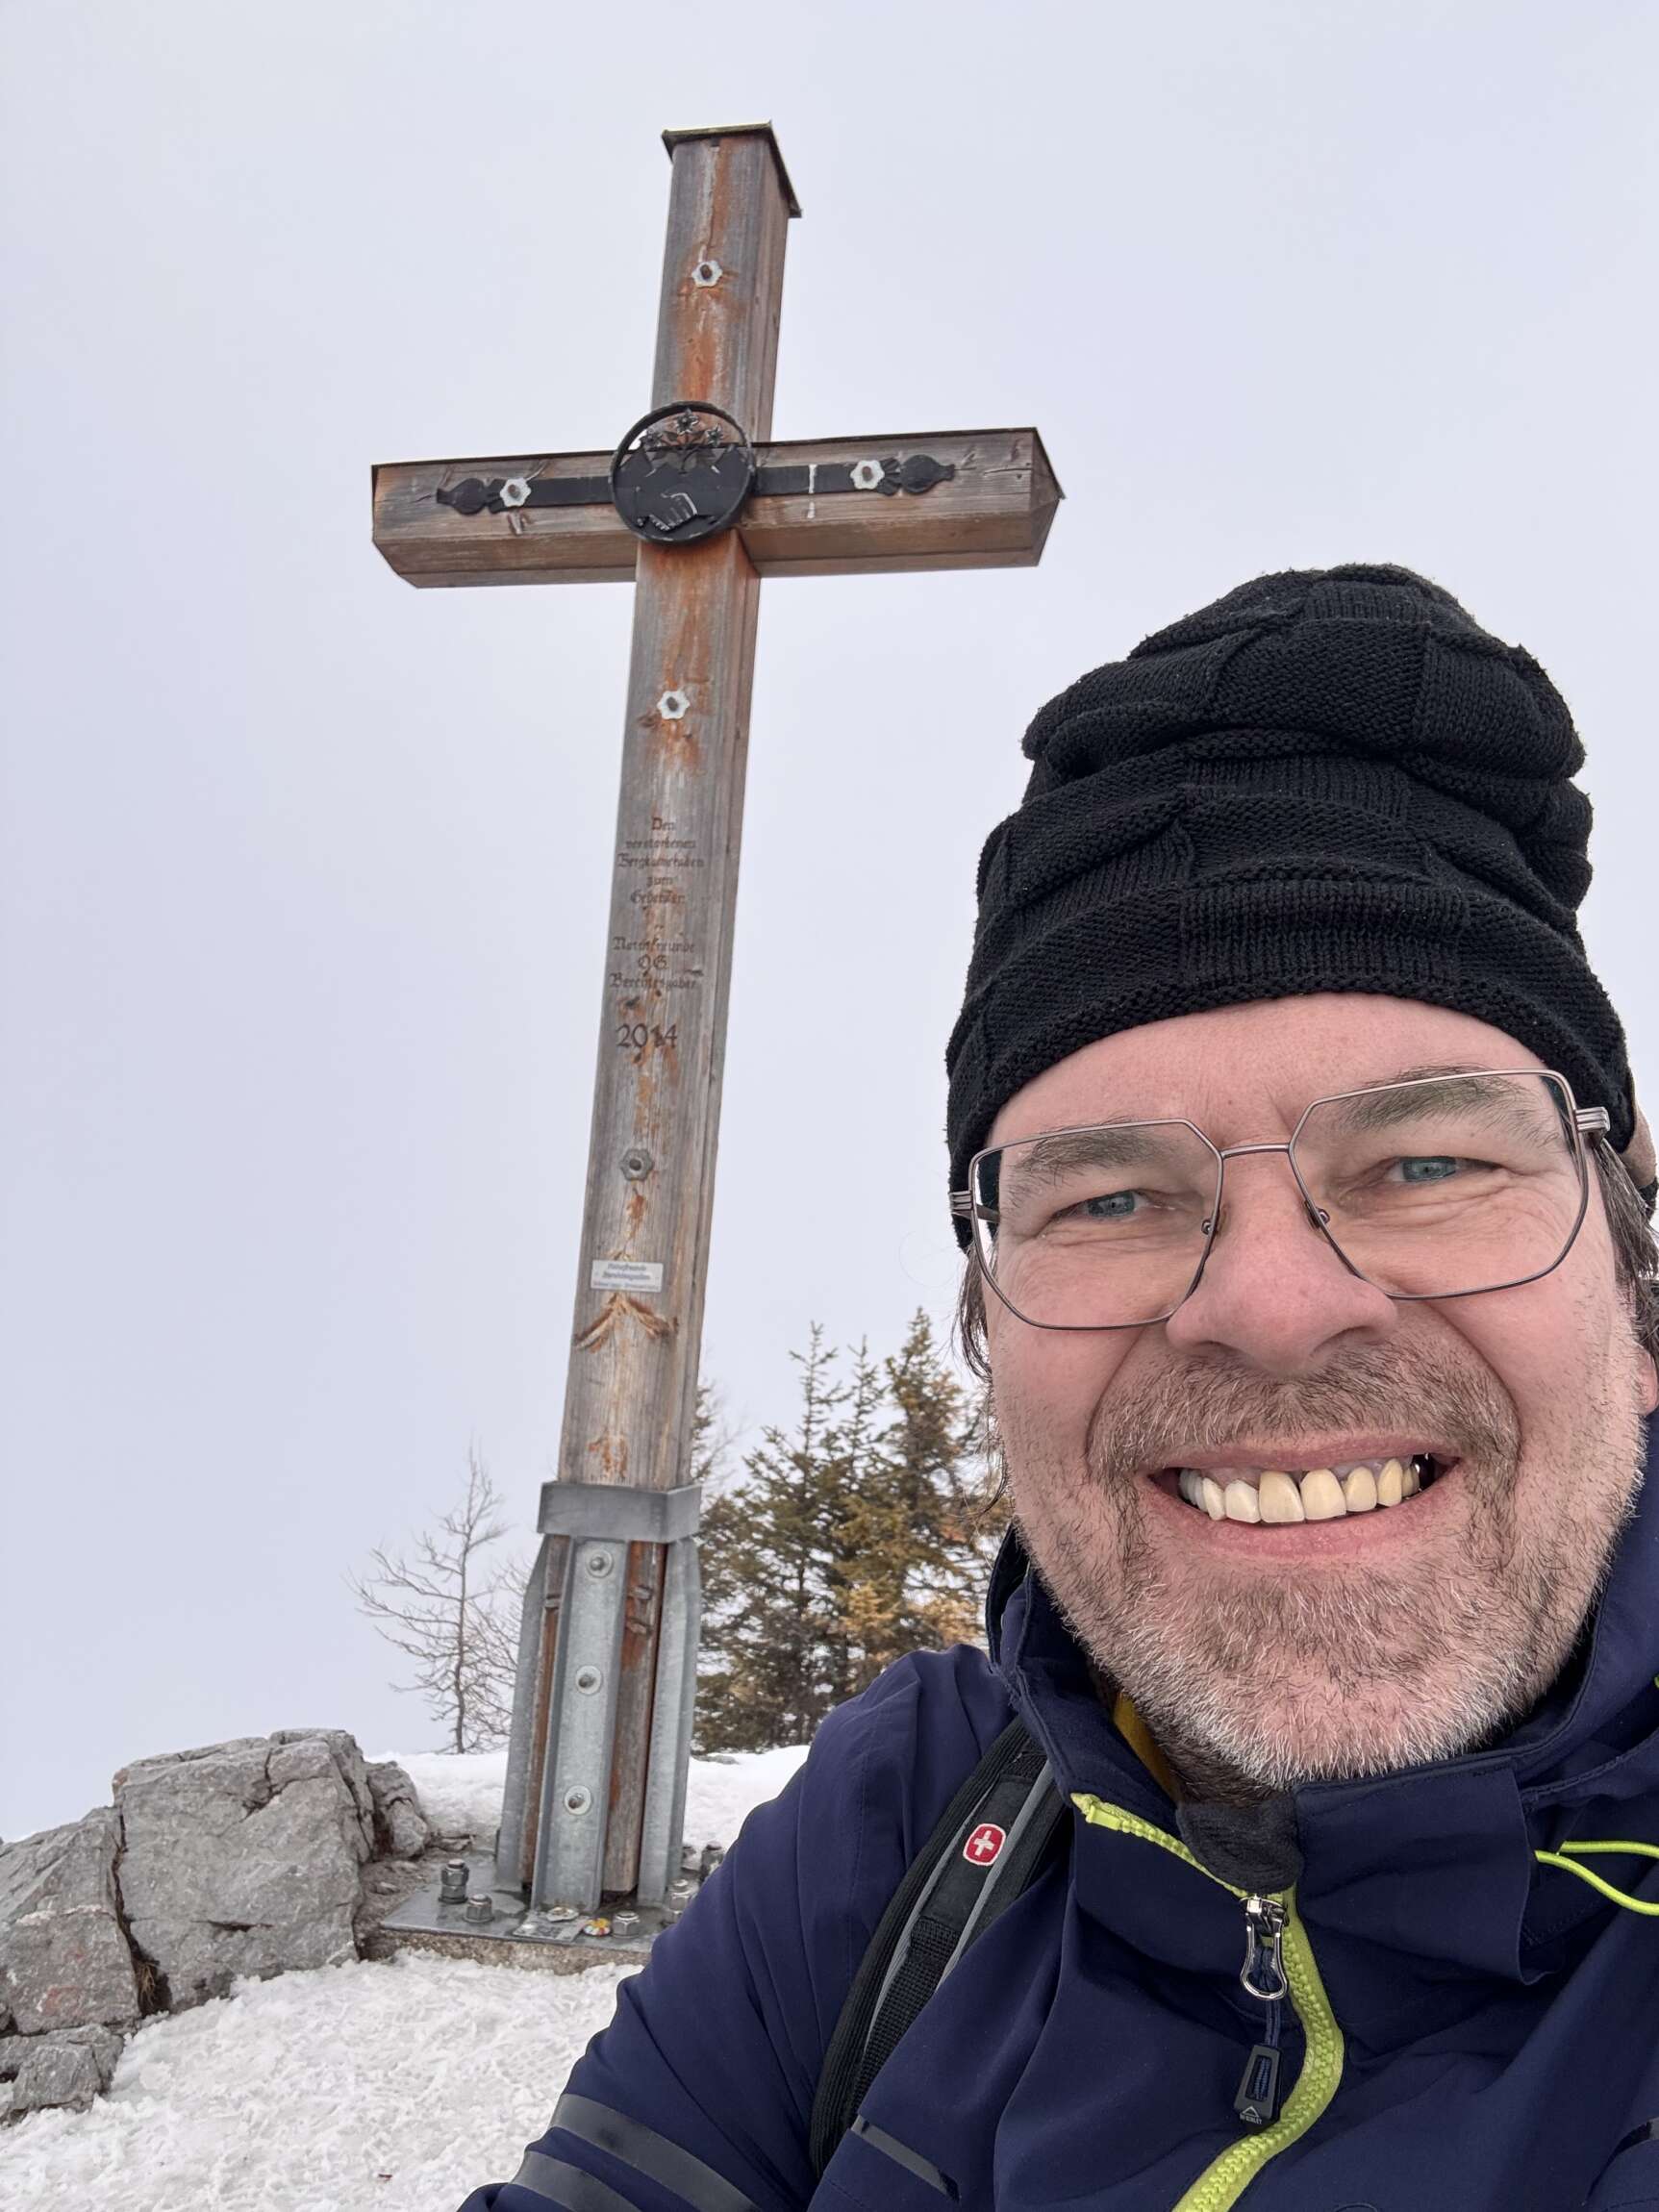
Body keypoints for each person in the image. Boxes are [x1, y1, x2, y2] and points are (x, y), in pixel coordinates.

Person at [459, 566, 1659, 2211]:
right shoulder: (909, 1816)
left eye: (1427, 1162)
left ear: (1633, 1299)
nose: (1269, 1308)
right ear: (987, 1322)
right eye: (1108, 1197)